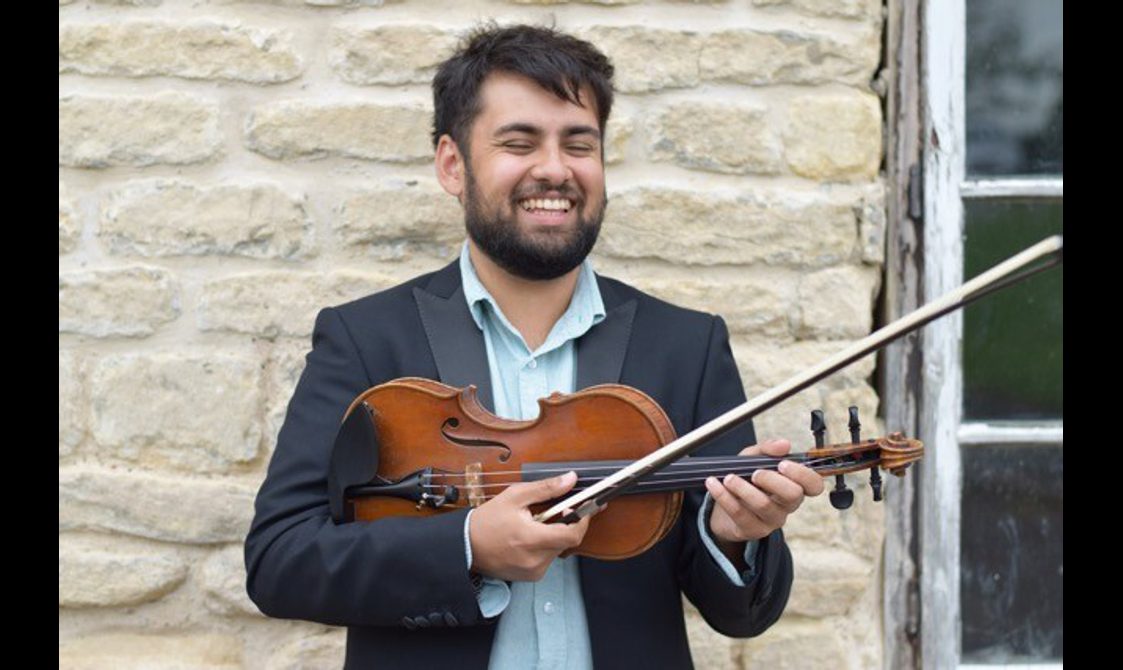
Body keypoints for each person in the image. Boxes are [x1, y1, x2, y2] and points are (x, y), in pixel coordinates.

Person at [244, 22, 824, 669]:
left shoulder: (685, 345)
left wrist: (734, 537)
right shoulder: (365, 339)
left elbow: (739, 612)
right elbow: (280, 560)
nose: (554, 169)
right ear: (452, 165)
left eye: (579, 144)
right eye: (519, 143)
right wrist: (465, 547)